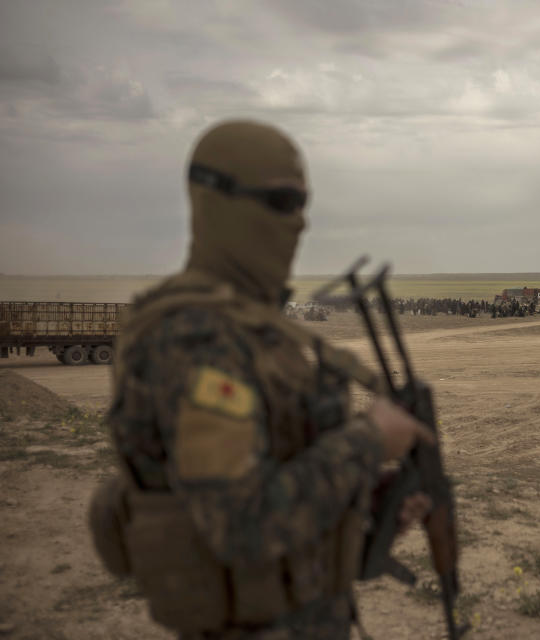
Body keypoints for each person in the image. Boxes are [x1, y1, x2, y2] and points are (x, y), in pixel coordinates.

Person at [90, 120, 433, 639]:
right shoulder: (197, 338)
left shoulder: (255, 329)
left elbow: (278, 470)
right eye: (281, 202)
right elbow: (241, 526)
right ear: (219, 203)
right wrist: (367, 443)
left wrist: (366, 495)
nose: (300, 223)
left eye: (302, 204)